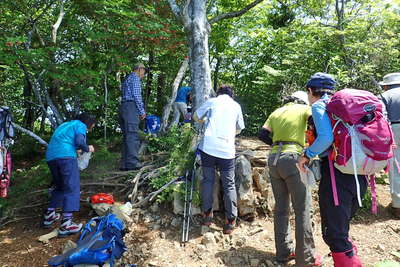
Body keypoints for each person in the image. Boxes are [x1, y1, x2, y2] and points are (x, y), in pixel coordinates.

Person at [298, 73, 366, 266]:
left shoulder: (321, 106)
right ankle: (349, 256)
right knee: (341, 227)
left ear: (311, 91)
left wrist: (307, 154)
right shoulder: (346, 109)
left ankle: (349, 262)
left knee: (334, 232)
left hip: (337, 172)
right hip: (359, 172)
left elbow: (326, 138)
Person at [259, 91, 321, 266]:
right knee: (302, 209)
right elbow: (316, 124)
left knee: (281, 209)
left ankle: (283, 253)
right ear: (303, 100)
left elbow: (262, 134)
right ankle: (305, 259)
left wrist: (277, 145)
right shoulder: (304, 109)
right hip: (294, 159)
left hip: (273, 160)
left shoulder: (276, 112)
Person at [193, 85, 244, 234]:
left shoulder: (212, 102)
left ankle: (207, 215)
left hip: (208, 147)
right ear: (231, 95)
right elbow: (240, 128)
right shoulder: (236, 106)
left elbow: (196, 116)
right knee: (229, 184)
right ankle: (230, 221)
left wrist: (206, 121)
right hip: (227, 150)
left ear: (218, 93)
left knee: (208, 180)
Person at [43, 113, 96, 236]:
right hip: (65, 157)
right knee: (72, 188)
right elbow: (79, 140)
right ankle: (67, 224)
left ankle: (49, 216)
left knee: (61, 187)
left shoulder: (65, 125)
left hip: (51, 157)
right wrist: (87, 148)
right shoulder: (80, 125)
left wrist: (78, 149)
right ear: (89, 123)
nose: (89, 129)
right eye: (91, 126)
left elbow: (66, 141)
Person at [379, 72, 400, 219]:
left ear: (386, 85)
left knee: (396, 166)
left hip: (394, 128)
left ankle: (398, 206)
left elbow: (382, 117)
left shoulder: (385, 96)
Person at [119, 63, 147, 171]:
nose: (143, 75)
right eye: (143, 72)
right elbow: (136, 95)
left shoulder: (127, 79)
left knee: (126, 135)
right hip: (131, 107)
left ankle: (124, 164)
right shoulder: (135, 79)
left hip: (124, 107)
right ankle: (132, 163)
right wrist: (142, 111)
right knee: (132, 135)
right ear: (139, 69)